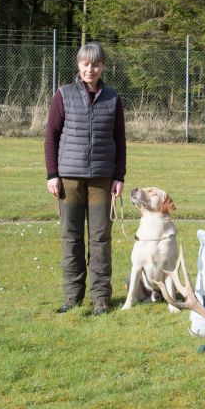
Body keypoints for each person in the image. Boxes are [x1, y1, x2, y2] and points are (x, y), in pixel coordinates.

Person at [44, 42, 126, 316]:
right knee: (71, 237)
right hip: (69, 179)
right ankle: (72, 296)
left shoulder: (113, 98)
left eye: (95, 64)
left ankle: (101, 298)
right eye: (85, 64)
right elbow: (51, 137)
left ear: (103, 66)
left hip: (102, 180)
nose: (90, 69)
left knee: (101, 238)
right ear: (78, 66)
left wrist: (119, 176)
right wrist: (52, 175)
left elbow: (120, 141)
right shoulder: (63, 95)